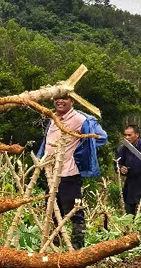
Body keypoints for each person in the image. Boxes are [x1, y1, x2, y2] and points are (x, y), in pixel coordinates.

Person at [37, 96, 108, 249]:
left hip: (69, 173)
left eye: (64, 98)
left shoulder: (80, 119)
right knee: (52, 211)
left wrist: (82, 149)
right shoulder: (53, 118)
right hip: (51, 174)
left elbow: (102, 137)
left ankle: (77, 247)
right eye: (57, 98)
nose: (60, 101)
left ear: (72, 101)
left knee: (74, 211)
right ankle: (54, 245)